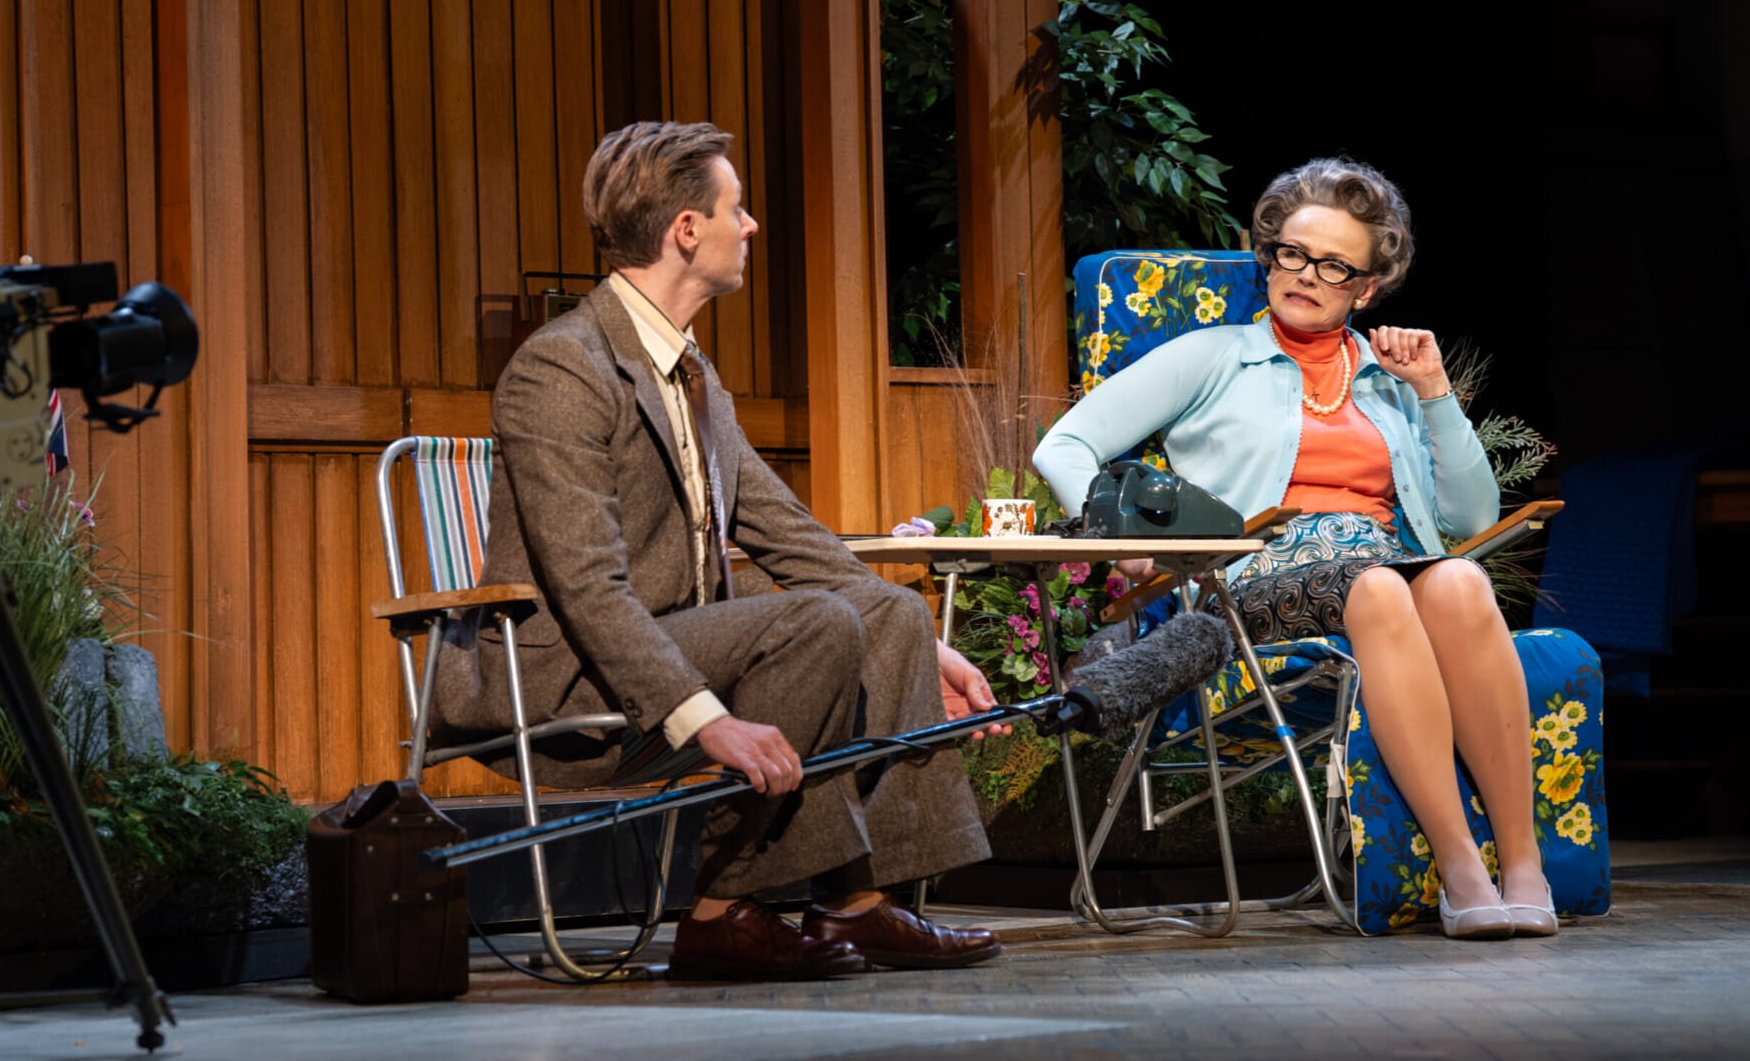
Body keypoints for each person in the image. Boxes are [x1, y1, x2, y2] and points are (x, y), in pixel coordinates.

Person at [434, 120, 1003, 980]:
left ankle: (856, 903)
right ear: (686, 230)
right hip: (565, 681)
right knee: (811, 622)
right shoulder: (562, 368)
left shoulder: (693, 374)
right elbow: (589, 590)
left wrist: (926, 644)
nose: (752, 226)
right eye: (737, 208)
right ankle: (717, 913)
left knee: (882, 607)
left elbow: (790, 534)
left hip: (676, 640)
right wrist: (710, 719)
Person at [1032, 157, 1553, 941]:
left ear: (1367, 287)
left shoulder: (1388, 376)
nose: (1304, 274)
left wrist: (1435, 391)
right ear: (1269, 254)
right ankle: (1460, 867)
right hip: (1244, 583)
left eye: (1333, 264)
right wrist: (1127, 537)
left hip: (1379, 565)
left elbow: (1469, 516)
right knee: (1382, 586)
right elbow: (1064, 445)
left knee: (1460, 585)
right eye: (1291, 252)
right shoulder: (1211, 357)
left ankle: (1524, 864)